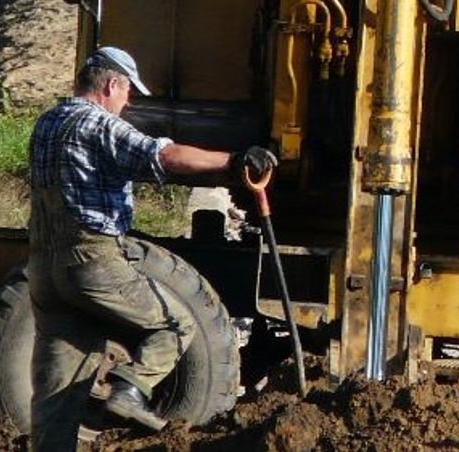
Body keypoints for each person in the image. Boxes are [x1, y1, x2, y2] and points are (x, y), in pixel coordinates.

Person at [27, 46, 275, 449]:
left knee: (59, 388)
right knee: (176, 323)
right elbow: (165, 156)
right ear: (112, 84)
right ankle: (128, 390)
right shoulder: (99, 125)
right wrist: (235, 162)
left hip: (44, 267)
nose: (129, 103)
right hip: (93, 260)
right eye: (128, 93)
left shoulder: (48, 122)